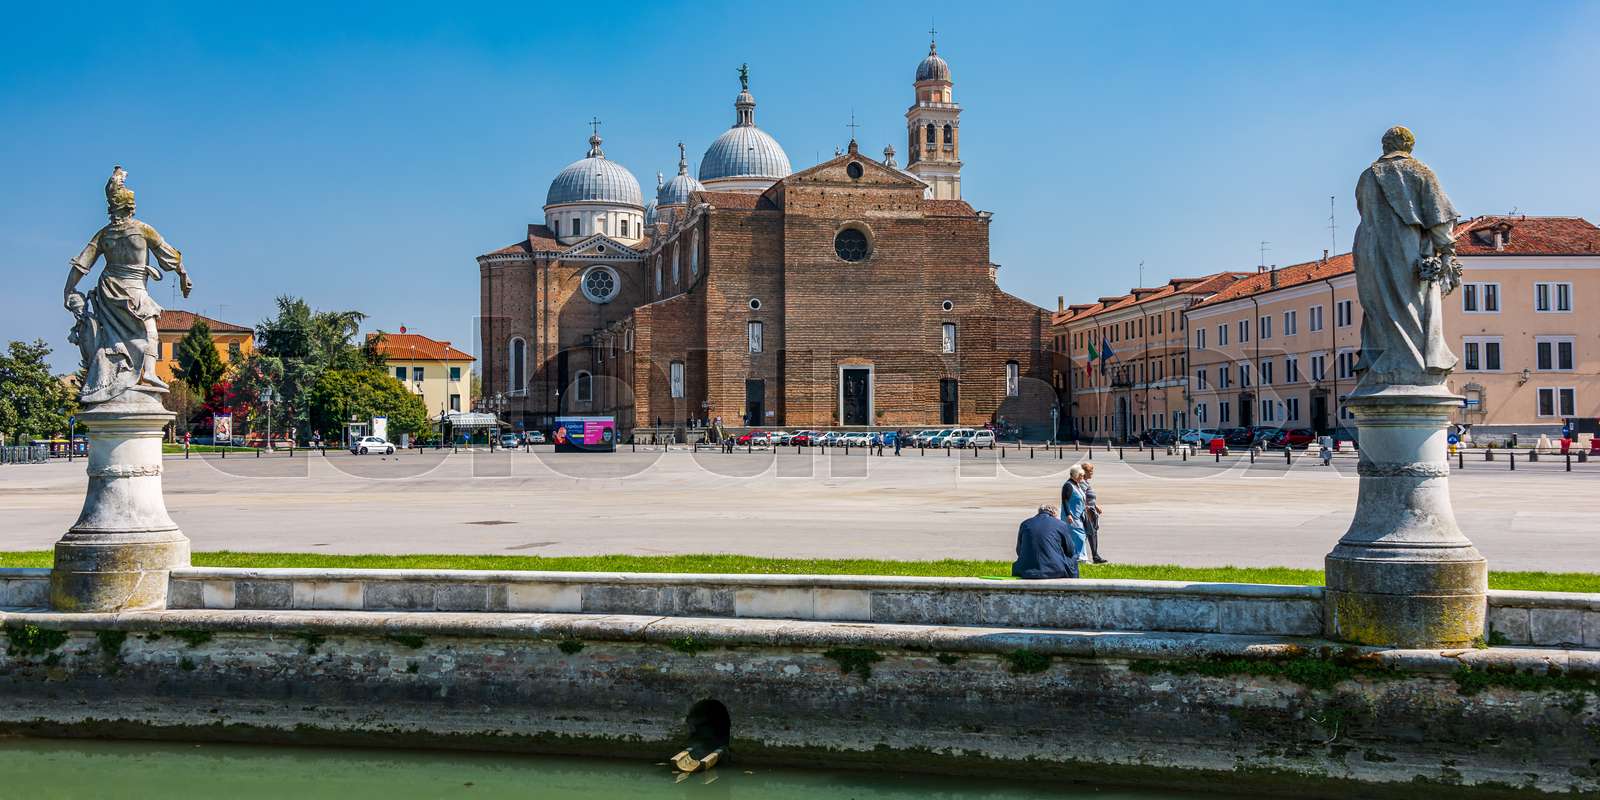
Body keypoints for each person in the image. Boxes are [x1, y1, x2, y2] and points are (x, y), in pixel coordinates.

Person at [1012, 504, 1079, 579]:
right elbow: (1070, 551)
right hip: (1054, 569)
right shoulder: (1061, 524)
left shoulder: (1025, 524)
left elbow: (1019, 551)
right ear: (1054, 514)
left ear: (1039, 512)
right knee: (1074, 557)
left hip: (1023, 570)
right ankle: (1072, 587)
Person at [1058, 465, 1091, 567]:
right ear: (1076, 475)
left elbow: (1080, 498)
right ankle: (1081, 558)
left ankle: (1078, 557)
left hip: (1078, 515)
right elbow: (1065, 500)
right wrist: (1068, 514)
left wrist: (1085, 507)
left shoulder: (1076, 484)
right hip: (1071, 516)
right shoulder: (1068, 485)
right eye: (1081, 475)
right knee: (1079, 535)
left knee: (1079, 535)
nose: (1082, 477)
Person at [1079, 462, 1109, 564]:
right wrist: (1087, 509)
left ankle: (1094, 555)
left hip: (1091, 510)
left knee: (1092, 533)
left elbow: (1089, 497)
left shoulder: (1086, 482)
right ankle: (1090, 556)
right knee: (1090, 533)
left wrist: (1095, 506)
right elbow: (1081, 497)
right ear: (1084, 472)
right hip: (1087, 511)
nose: (1092, 473)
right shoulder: (1082, 483)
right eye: (1090, 471)